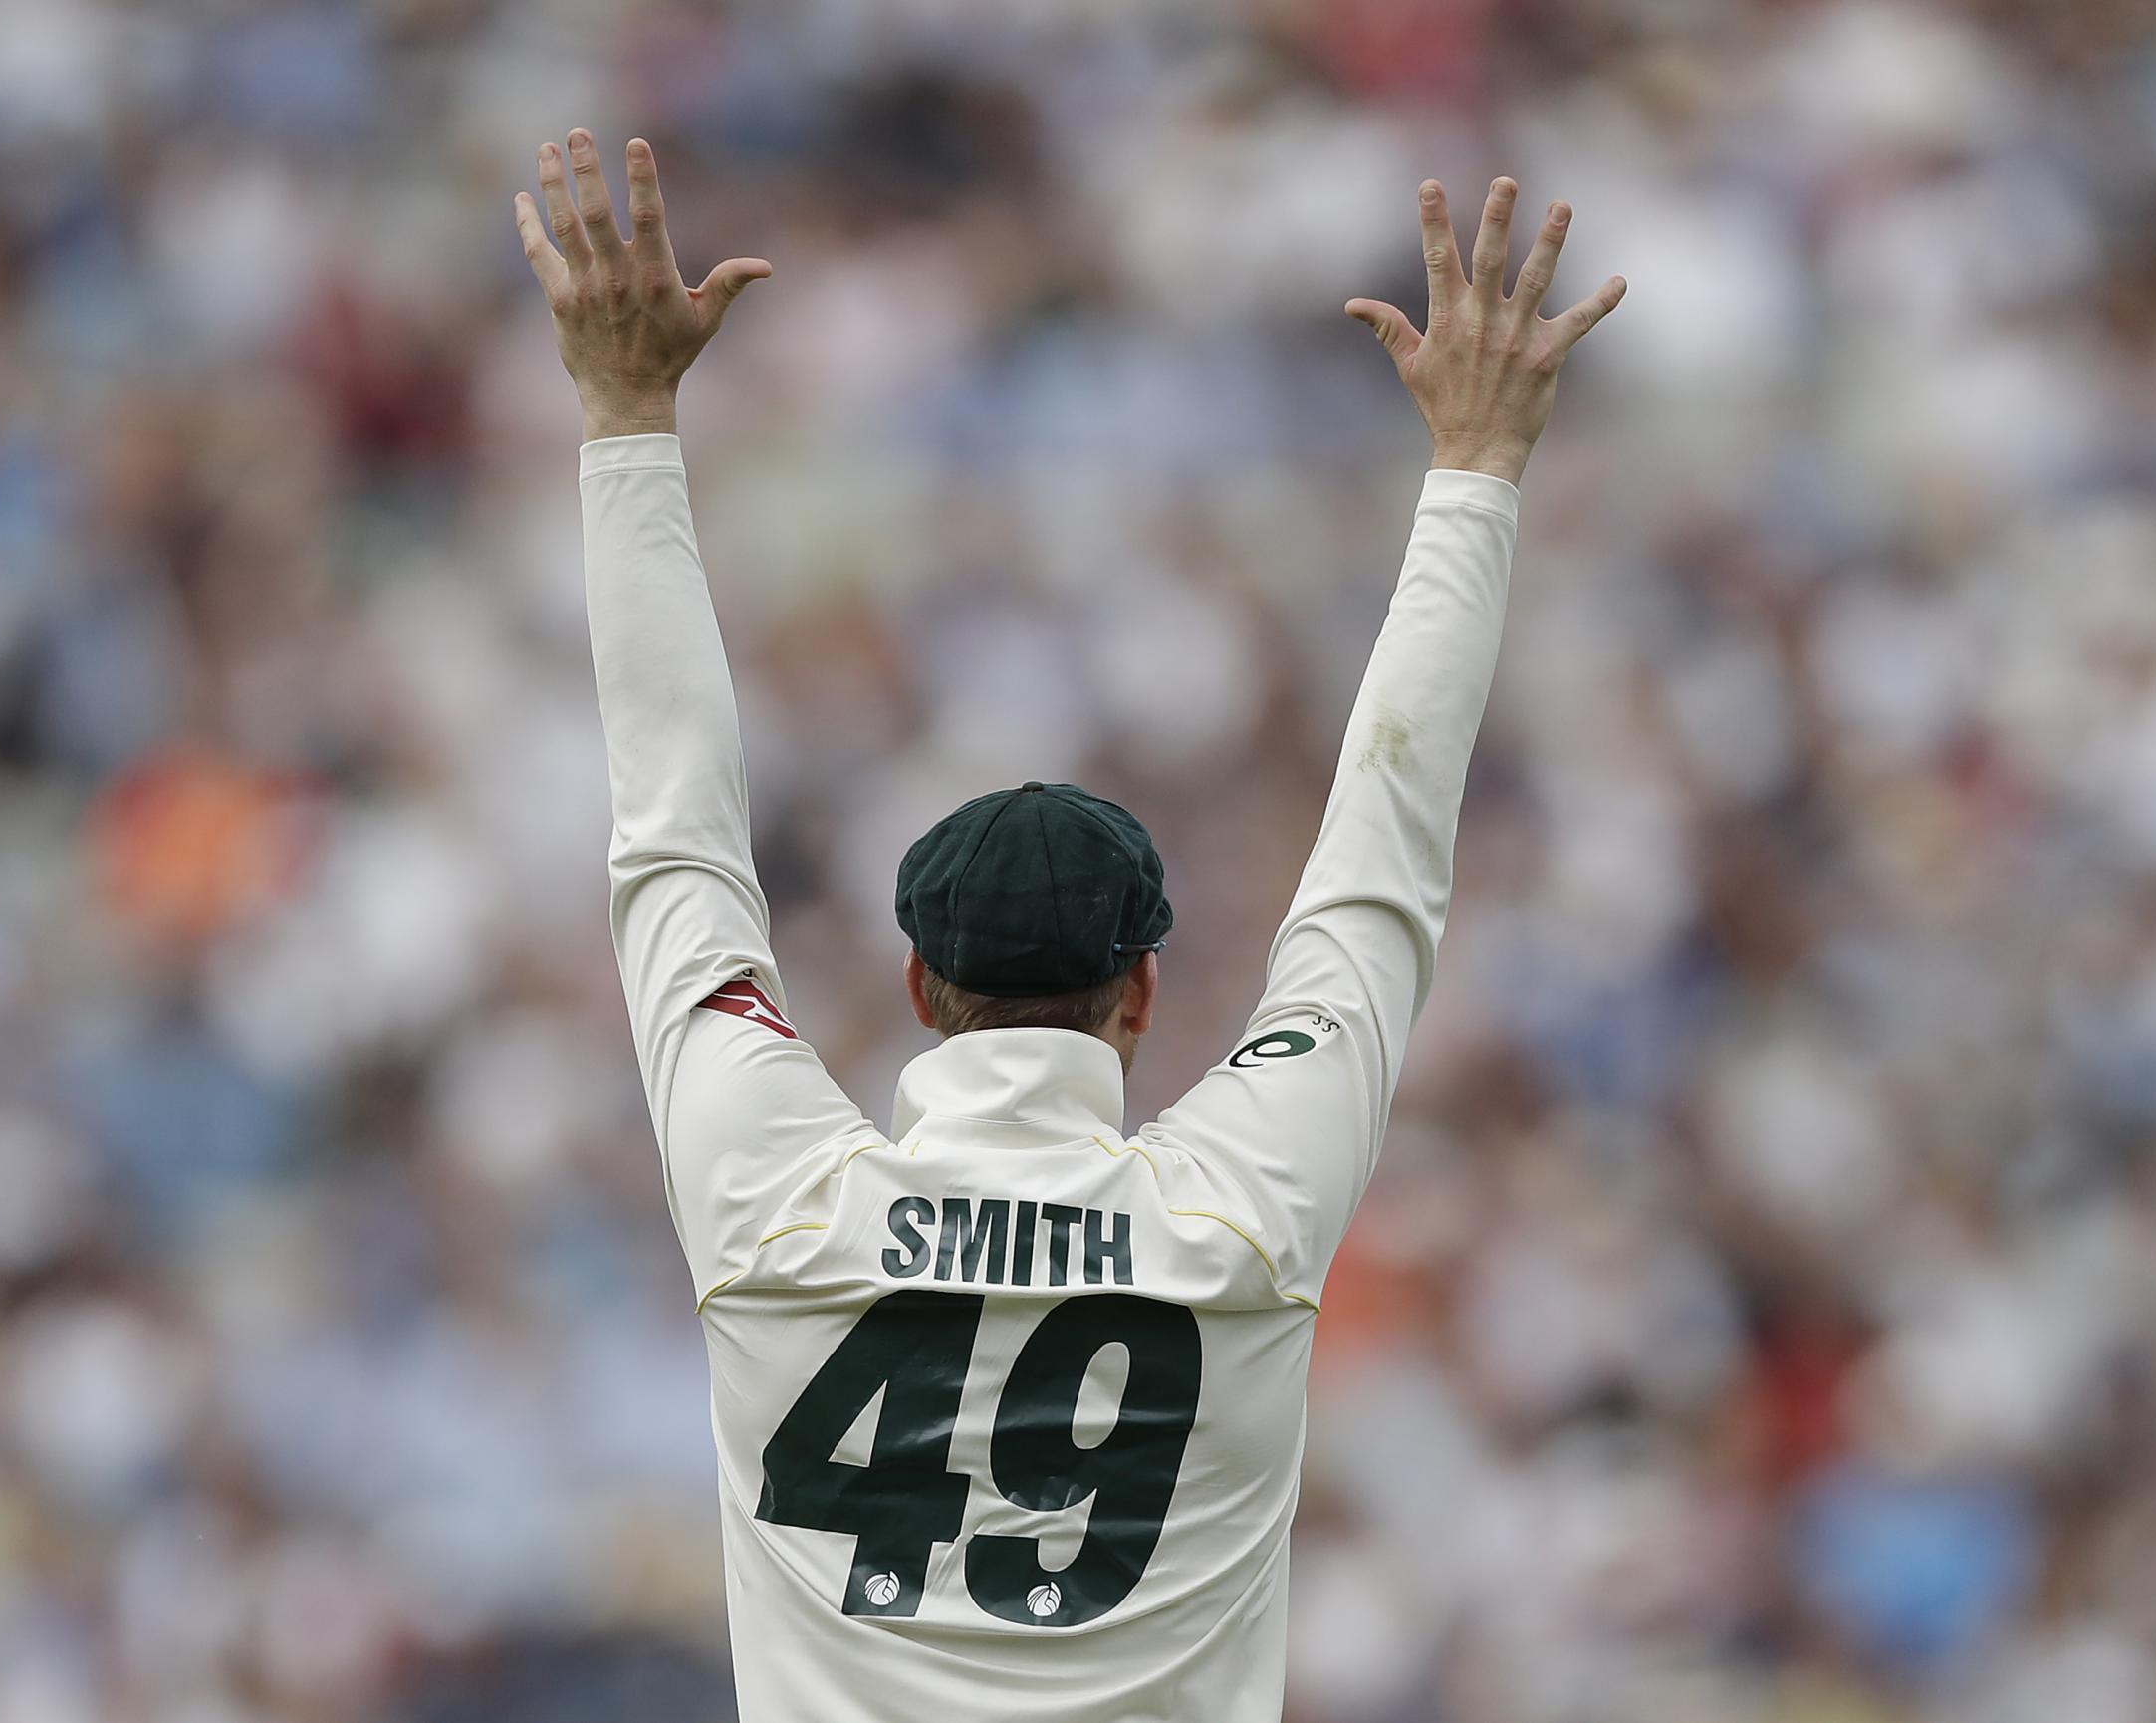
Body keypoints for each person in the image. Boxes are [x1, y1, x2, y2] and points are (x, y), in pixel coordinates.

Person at [515, 125, 1622, 1723]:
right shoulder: (1235, 1214)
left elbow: (672, 834)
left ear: (918, 983)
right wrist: (1475, 467)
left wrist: (623, 417)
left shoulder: (776, 1199)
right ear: (1141, 990)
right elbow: (1381, 866)